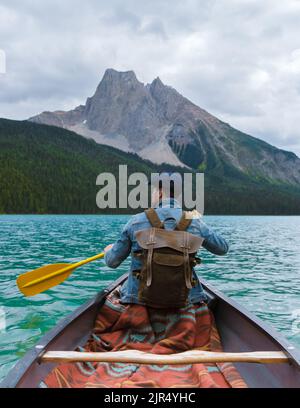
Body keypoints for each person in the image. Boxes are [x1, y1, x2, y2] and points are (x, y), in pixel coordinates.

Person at [104, 173, 229, 306]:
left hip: (138, 299)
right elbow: (222, 248)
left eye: (153, 191)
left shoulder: (135, 221)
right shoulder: (195, 222)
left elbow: (112, 262)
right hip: (185, 298)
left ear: (160, 193)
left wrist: (109, 250)